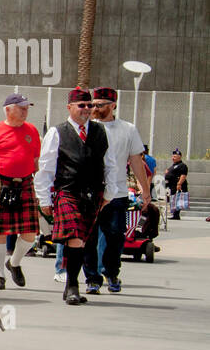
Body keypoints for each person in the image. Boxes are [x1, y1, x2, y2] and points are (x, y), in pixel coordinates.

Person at [35, 88, 109, 305]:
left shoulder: (99, 131)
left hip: (92, 194)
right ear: (69, 107)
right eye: (82, 105)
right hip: (67, 191)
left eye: (90, 105)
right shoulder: (57, 132)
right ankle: (73, 285)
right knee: (75, 237)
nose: (87, 109)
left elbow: (110, 163)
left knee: (81, 240)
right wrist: (44, 199)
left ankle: (71, 285)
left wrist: (110, 192)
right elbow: (46, 168)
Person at [83, 87, 150, 293]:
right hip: (90, 192)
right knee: (89, 237)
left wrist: (145, 191)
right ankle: (92, 278)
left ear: (113, 105)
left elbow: (136, 161)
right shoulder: (85, 127)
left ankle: (111, 273)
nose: (95, 108)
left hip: (118, 192)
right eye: (93, 104)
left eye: (100, 105)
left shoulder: (127, 129)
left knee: (115, 236)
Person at [0, 93, 42, 290]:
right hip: (1, 183)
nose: (26, 111)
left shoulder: (32, 130)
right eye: (21, 107)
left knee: (30, 234)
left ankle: (14, 263)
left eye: (27, 108)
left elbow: (35, 161)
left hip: (24, 183)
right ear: (8, 109)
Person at [165, 148, 189, 219]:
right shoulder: (174, 165)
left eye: (175, 157)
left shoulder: (182, 165)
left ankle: (176, 214)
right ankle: (174, 213)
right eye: (172, 156)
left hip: (177, 185)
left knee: (177, 199)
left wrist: (179, 184)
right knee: (173, 199)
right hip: (171, 185)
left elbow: (183, 175)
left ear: (179, 157)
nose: (173, 158)